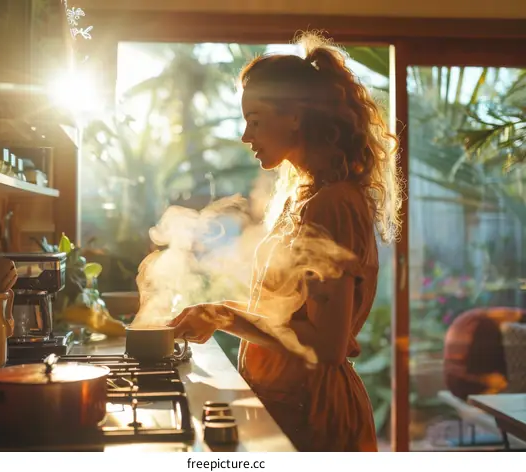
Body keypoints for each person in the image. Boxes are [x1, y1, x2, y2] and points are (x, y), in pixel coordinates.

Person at [168, 31, 403, 452]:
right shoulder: (306, 195)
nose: (245, 135)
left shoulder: (333, 203)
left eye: (255, 120)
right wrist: (213, 311)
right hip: (286, 404)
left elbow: (326, 347)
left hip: (314, 415)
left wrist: (224, 316)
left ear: (294, 116)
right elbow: (287, 318)